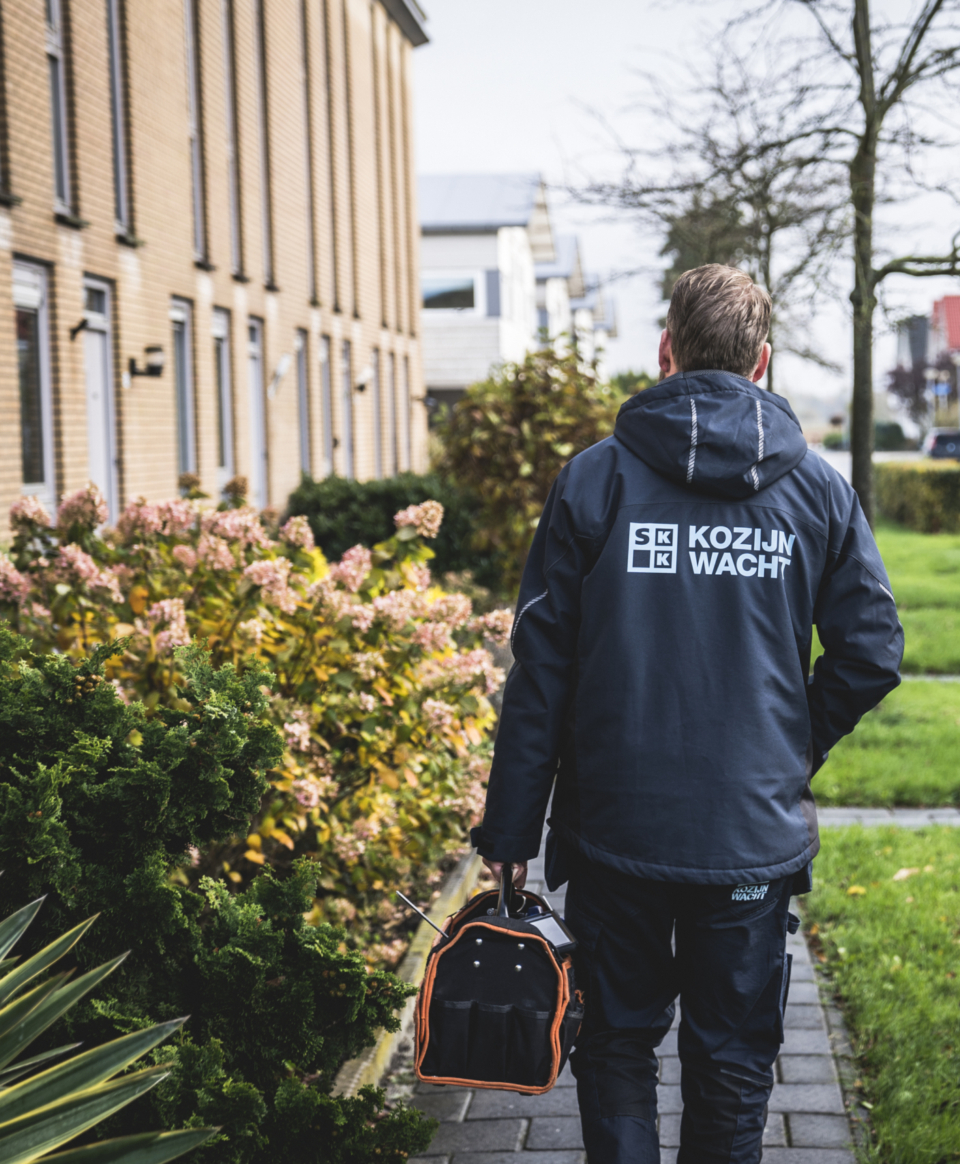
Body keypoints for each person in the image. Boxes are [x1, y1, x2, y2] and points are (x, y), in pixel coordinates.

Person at [470, 264, 903, 1164]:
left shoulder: (594, 482)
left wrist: (509, 830)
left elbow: (541, 671)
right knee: (734, 1062)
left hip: (614, 834)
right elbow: (871, 652)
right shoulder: (819, 492)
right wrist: (791, 749)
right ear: (763, 361)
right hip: (748, 835)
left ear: (665, 351)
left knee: (617, 1045)